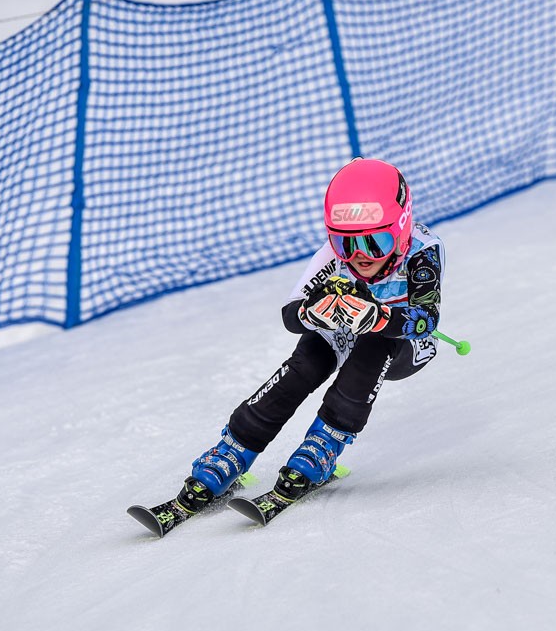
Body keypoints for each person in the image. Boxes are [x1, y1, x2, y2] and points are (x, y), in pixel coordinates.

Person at [178, 158, 443, 511]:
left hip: (408, 344)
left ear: (402, 228)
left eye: (376, 243)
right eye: (345, 243)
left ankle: (324, 443)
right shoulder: (332, 256)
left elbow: (427, 319)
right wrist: (311, 312)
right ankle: (235, 448)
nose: (359, 256)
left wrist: (379, 318)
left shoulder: (423, 250)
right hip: (349, 328)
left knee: (374, 344)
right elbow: (291, 315)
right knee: (308, 359)